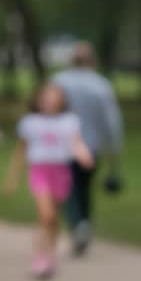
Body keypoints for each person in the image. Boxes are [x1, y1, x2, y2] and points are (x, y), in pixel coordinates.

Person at [3, 81, 94, 280]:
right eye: (46, 98)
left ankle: (49, 256)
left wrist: (84, 155)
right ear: (39, 100)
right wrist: (12, 177)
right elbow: (21, 151)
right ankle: (40, 258)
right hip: (39, 170)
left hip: (61, 171)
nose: (50, 102)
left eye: (55, 99)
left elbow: (76, 143)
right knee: (45, 214)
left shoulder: (69, 121)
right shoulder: (30, 122)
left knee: (53, 219)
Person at [52, 41, 125, 256]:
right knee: (84, 187)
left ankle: (77, 224)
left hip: (63, 146)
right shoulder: (101, 85)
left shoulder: (59, 82)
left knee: (69, 189)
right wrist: (114, 148)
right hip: (91, 146)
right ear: (92, 60)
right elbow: (112, 121)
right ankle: (84, 222)